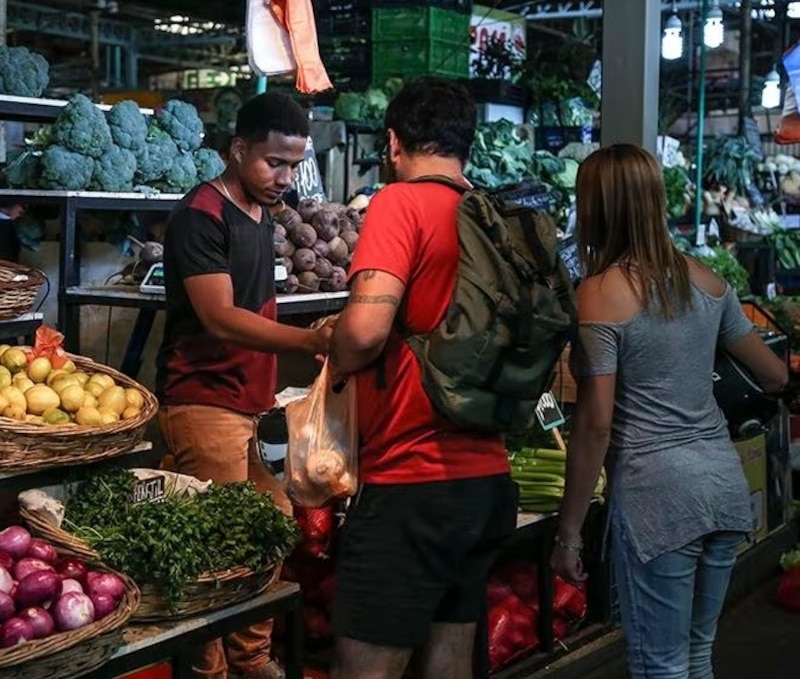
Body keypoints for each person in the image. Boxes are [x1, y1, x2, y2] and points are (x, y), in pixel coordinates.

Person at [550, 144, 788, 679]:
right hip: (722, 486)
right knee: (695, 656)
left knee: (658, 664)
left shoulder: (600, 294)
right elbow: (775, 375)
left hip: (659, 500)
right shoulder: (706, 280)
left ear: (597, 209)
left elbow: (595, 424)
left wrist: (568, 534)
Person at [327, 77, 519, 679]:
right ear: (468, 144)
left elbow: (363, 332)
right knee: (449, 661)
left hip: (413, 477)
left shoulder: (399, 203)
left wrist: (332, 349)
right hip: (485, 481)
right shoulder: (491, 215)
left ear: (393, 143)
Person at [156, 92, 332, 679]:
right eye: (273, 162)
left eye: (293, 164)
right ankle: (211, 671)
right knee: (216, 549)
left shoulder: (261, 215)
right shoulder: (201, 215)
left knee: (273, 524)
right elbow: (220, 316)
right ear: (237, 149)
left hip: (247, 408)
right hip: (202, 403)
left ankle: (249, 657)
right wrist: (308, 343)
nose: (284, 177)